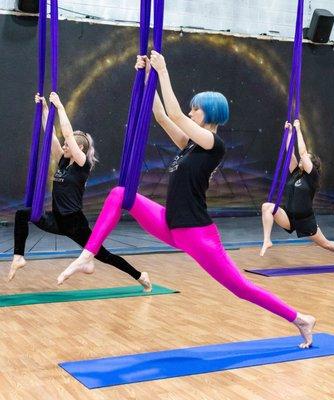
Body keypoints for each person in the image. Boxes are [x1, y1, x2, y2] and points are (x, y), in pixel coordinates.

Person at [59, 52, 316, 348]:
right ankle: (87, 256)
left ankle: (300, 319)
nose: (191, 113)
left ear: (209, 113)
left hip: (197, 234)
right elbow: (161, 115)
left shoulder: (213, 144)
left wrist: (164, 71)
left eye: (196, 110)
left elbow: (176, 115)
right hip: (171, 224)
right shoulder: (189, 146)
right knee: (120, 194)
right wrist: (147, 78)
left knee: (240, 288)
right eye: (192, 109)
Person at [9, 92, 151, 291]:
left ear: (80, 147)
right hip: (57, 220)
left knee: (105, 256)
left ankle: (139, 275)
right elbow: (52, 137)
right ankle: (18, 256)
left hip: (75, 224)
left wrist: (60, 107)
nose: (65, 145)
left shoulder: (82, 164)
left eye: (69, 144)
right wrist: (45, 110)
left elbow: (67, 134)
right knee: (22, 214)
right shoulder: (63, 160)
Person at [260, 120, 334, 269]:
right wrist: (289, 133)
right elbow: (290, 154)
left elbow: (302, 153)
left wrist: (298, 129)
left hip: (305, 220)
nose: (303, 158)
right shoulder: (296, 173)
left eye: (307, 158)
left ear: (312, 164)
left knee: (325, 244)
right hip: (289, 217)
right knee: (267, 207)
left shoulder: (312, 177)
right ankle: (266, 240)